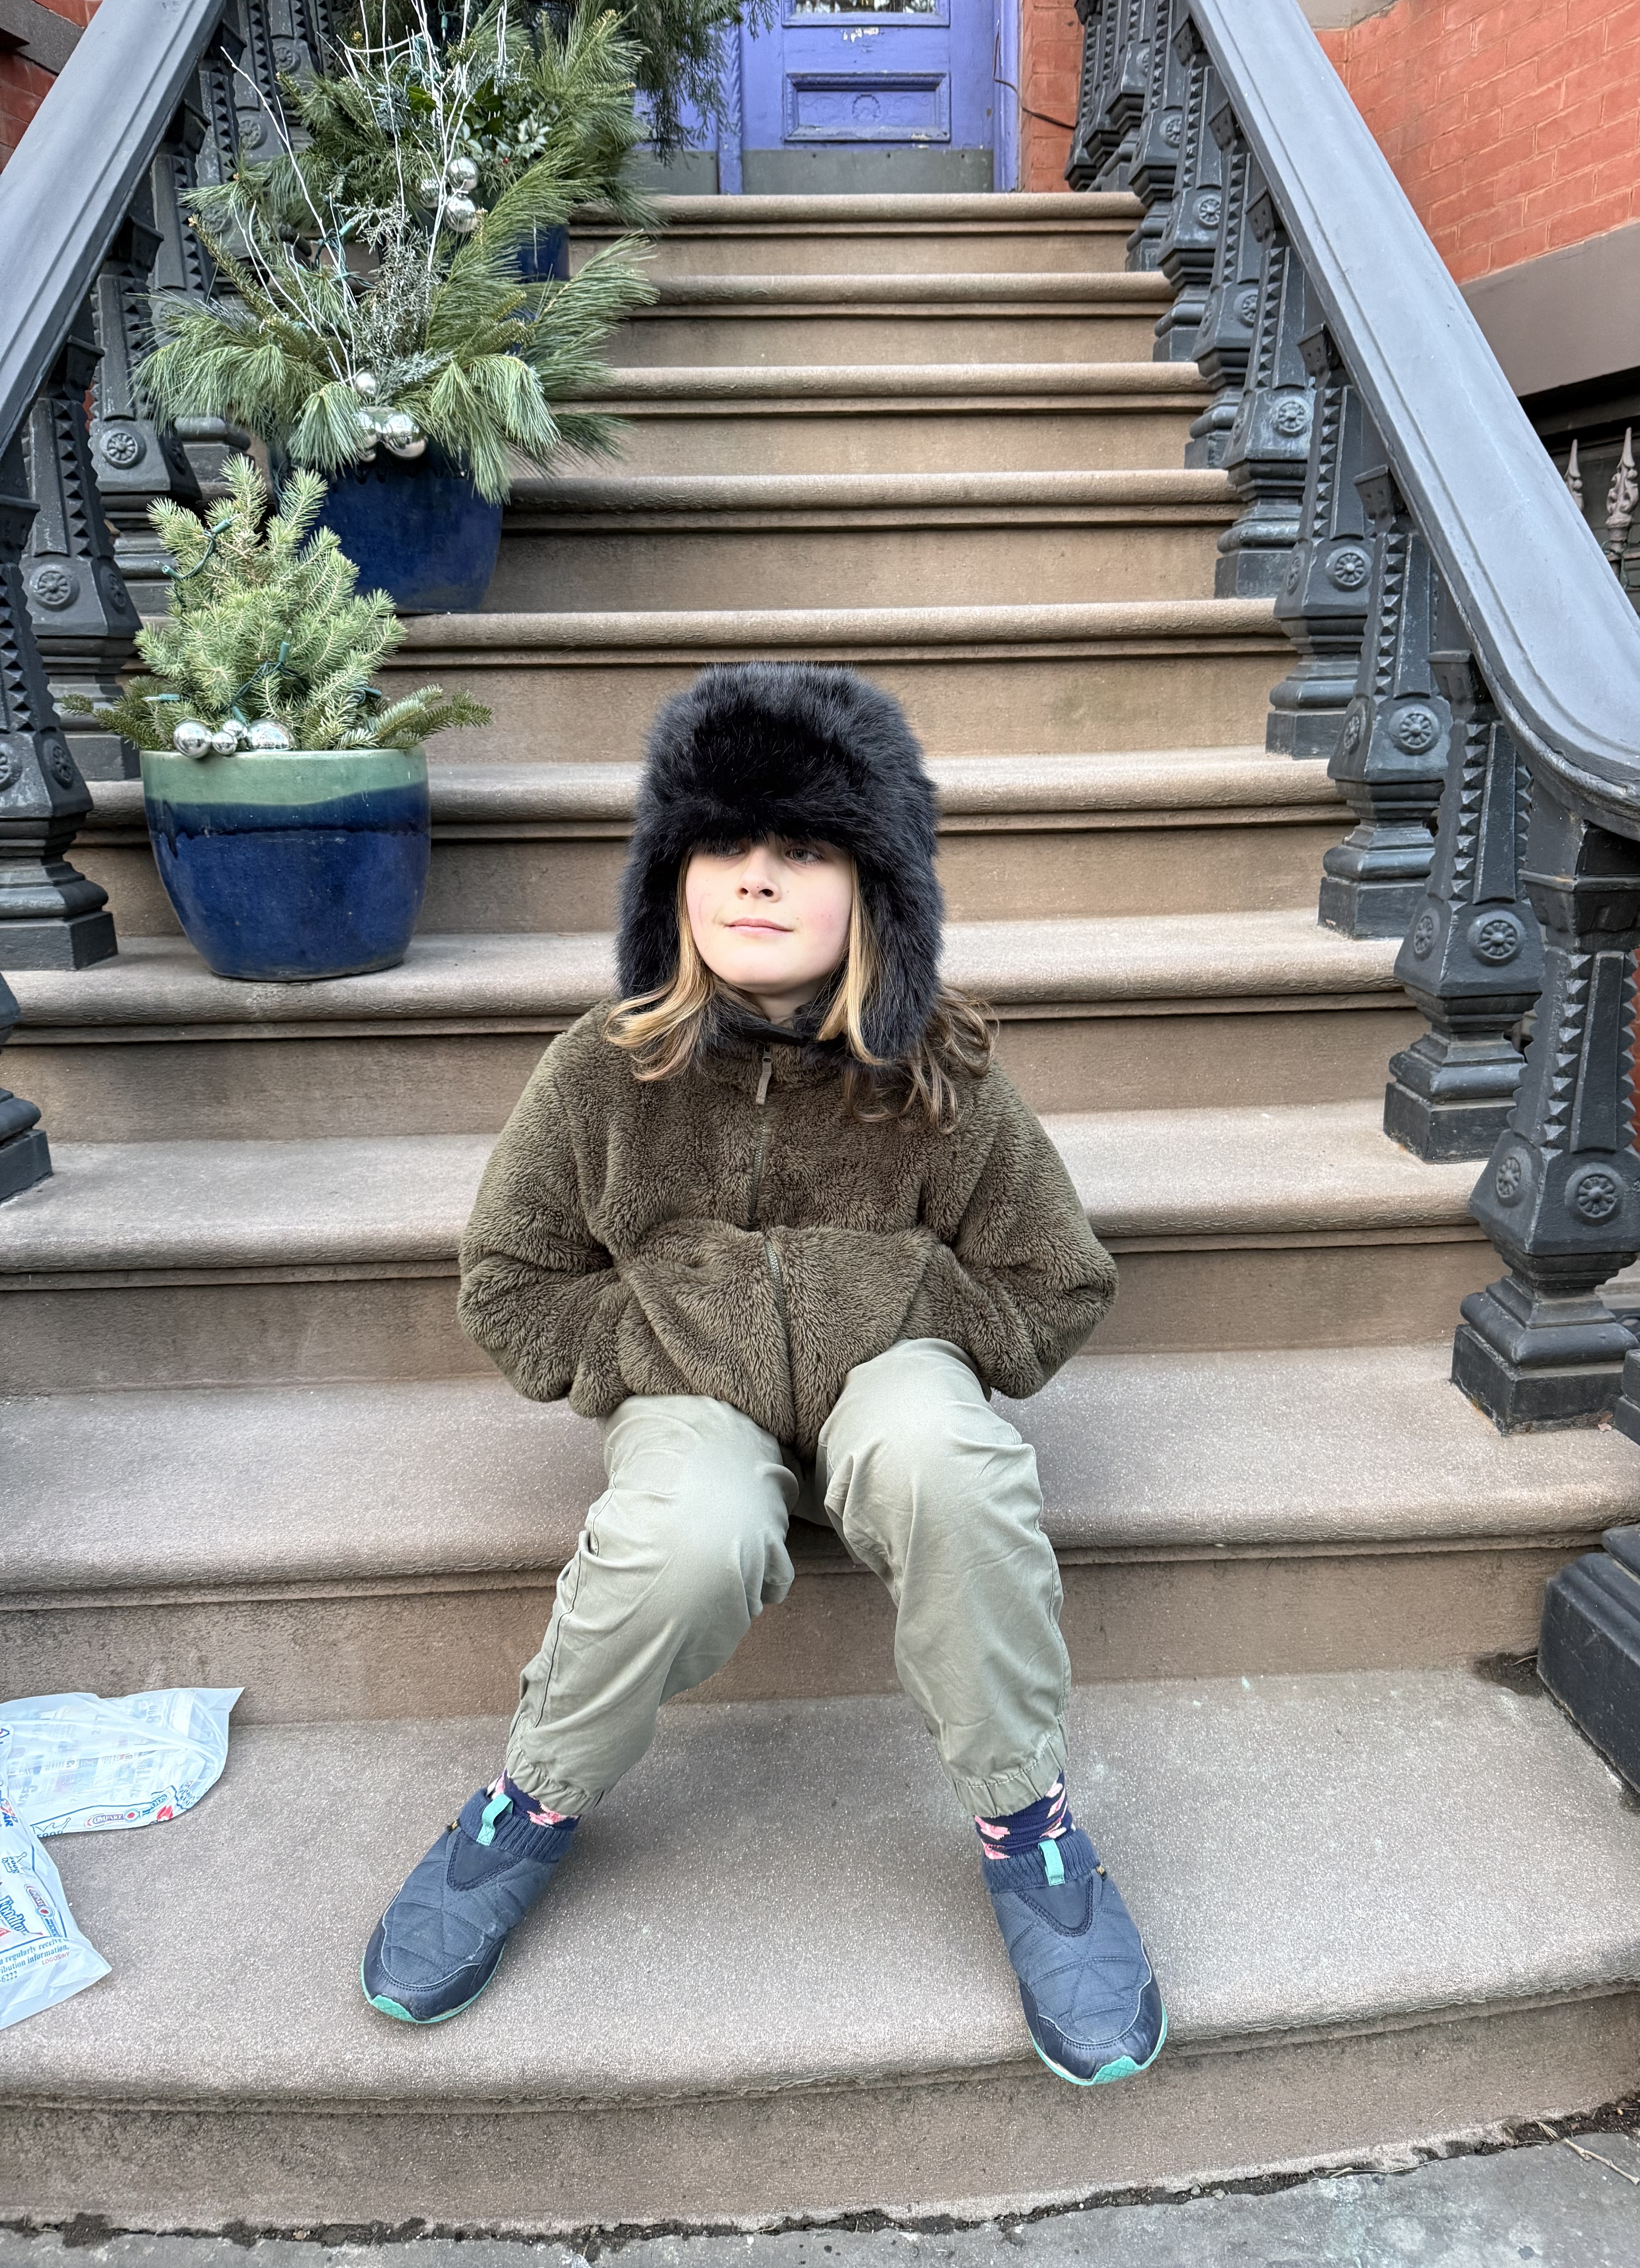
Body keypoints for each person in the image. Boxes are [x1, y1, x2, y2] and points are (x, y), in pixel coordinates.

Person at [360, 661, 1166, 2085]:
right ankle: (529, 1803)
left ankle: (1025, 1820)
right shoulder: (601, 1074)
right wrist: (668, 1333)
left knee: (937, 1451)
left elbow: (1058, 1280)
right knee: (694, 1530)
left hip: (893, 1389)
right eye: (722, 847)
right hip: (687, 1407)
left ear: (877, 892)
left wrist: (901, 1297)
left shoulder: (946, 1075)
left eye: (802, 850)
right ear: (669, 880)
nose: (756, 880)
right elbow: (511, 1285)